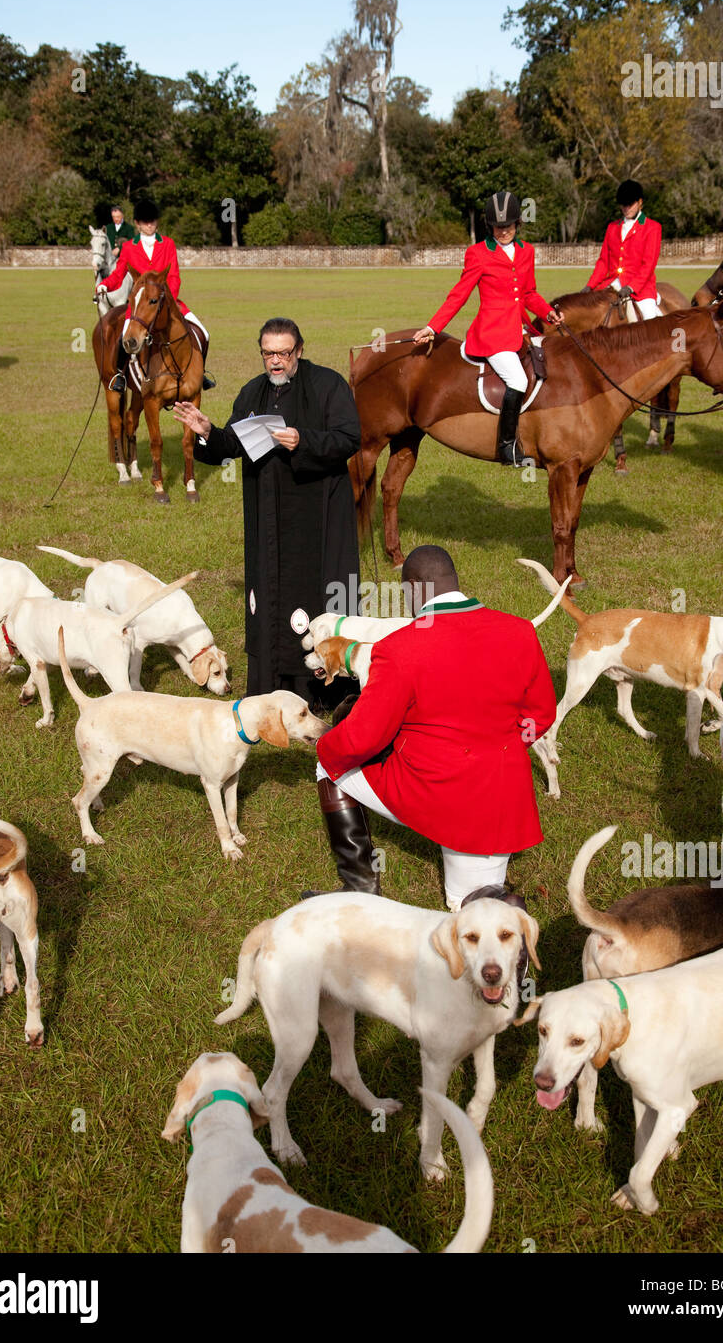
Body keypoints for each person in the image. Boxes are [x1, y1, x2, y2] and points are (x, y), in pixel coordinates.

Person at [308, 544, 556, 910]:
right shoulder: (519, 631)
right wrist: (497, 748)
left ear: (411, 592)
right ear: (455, 582)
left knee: (330, 764)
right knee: (471, 908)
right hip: (500, 798)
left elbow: (364, 737)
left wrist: (324, 746)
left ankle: (359, 886)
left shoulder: (398, 647)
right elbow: (541, 713)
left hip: (430, 789)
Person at [173, 318, 361, 705]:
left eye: (283, 353)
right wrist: (208, 430)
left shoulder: (329, 386)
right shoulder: (252, 393)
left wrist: (303, 439)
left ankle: (324, 691)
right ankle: (271, 685)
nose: (276, 361)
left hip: (316, 517)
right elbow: (232, 443)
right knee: (269, 594)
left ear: (299, 351)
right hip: (269, 519)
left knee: (316, 593)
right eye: (268, 353)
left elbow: (349, 438)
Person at [413, 191, 563, 466]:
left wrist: (548, 312)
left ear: (518, 223)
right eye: (497, 226)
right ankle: (507, 447)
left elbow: (529, 293)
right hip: (492, 334)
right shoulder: (478, 254)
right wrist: (433, 327)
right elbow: (459, 295)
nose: (503, 231)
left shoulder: (526, 251)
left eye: (508, 226)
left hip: (520, 331)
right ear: (490, 226)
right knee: (517, 380)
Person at [96, 197, 214, 393]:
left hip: (168, 302)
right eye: (144, 221)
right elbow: (118, 274)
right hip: (140, 307)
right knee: (123, 340)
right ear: (137, 223)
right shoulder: (128, 247)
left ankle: (200, 374)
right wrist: (104, 286)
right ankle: (120, 376)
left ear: (157, 221)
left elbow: (174, 276)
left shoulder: (168, 244)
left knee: (204, 333)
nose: (149, 225)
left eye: (152, 221)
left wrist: (168, 299)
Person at [585, 179, 662, 320]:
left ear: (640, 202)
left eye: (630, 204)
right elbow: (603, 262)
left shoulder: (652, 228)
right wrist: (590, 286)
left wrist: (632, 287)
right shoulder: (612, 227)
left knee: (648, 319)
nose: (626, 208)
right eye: (623, 205)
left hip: (641, 289)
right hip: (612, 284)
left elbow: (648, 265)